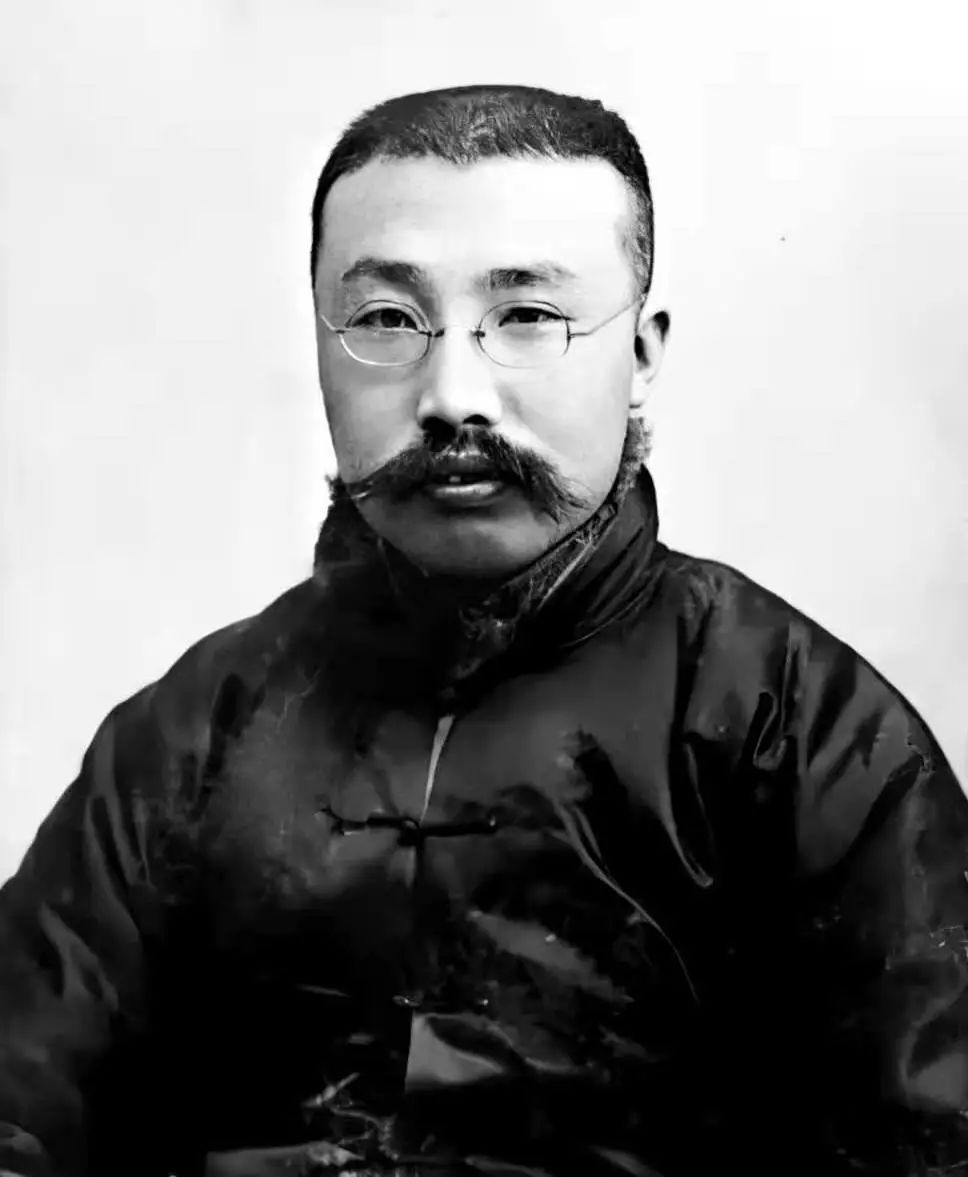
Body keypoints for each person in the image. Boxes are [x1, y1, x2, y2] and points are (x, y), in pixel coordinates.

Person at [1, 84, 966, 1177]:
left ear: (643, 354)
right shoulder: (192, 734)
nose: (452, 394)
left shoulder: (803, 733)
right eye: (385, 320)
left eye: (527, 317)